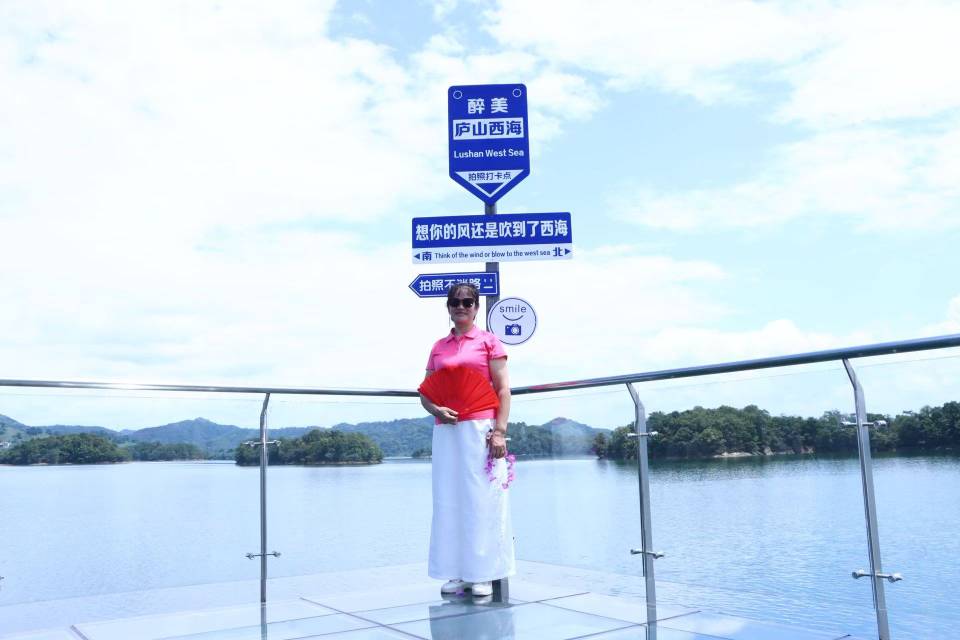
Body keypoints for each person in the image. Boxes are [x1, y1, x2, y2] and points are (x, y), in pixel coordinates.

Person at [420, 282, 515, 598]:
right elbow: (426, 393)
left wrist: (499, 431)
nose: (461, 307)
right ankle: (458, 572)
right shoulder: (438, 347)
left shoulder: (489, 342)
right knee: (449, 499)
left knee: (481, 498)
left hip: (479, 428)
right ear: (448, 307)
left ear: (476, 307)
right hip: (446, 430)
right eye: (455, 302)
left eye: (468, 302)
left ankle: (482, 573)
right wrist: (436, 409)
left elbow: (503, 389)